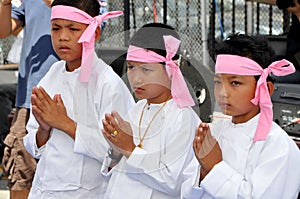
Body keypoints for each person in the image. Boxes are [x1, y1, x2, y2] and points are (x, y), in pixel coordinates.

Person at [23, 0, 135, 198]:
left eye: (73, 29)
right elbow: (33, 145)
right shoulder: (53, 73)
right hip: (43, 190)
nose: (63, 37)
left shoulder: (107, 83)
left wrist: (66, 124)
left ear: (95, 33)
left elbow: (118, 152)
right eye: (56, 29)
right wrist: (43, 129)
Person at [181, 33, 300, 199]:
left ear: (265, 88)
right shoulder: (215, 132)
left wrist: (214, 166)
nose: (223, 93)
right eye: (217, 82)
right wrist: (202, 171)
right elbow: (186, 191)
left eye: (235, 83)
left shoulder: (278, 146)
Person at [101, 23, 201, 199]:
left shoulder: (183, 117)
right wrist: (115, 152)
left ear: (170, 70)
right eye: (131, 67)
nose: (136, 78)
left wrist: (130, 149)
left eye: (146, 69)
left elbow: (173, 182)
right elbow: (116, 175)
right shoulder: (137, 109)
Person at [0, 0, 60, 198]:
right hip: (28, 100)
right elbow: (4, 30)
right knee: (21, 175)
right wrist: (4, 4)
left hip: (68, 98)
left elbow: (96, 28)